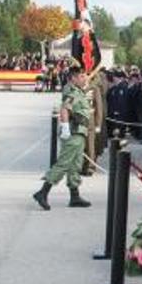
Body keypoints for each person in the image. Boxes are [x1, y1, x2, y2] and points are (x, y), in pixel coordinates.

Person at [32, 62, 92, 210]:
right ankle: (43, 192)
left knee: (75, 165)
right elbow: (65, 109)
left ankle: (74, 196)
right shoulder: (72, 91)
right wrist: (65, 127)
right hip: (73, 132)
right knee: (64, 164)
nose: (84, 79)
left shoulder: (78, 90)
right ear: (73, 78)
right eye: (81, 76)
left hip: (80, 132)